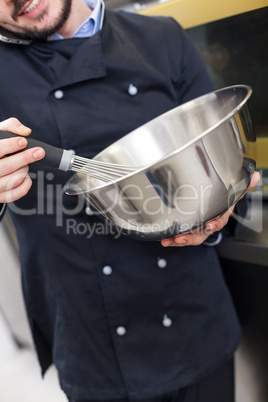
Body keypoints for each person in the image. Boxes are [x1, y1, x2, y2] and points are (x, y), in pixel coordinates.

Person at [0, 0, 260, 401]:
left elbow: (224, 167)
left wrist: (219, 214)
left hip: (195, 322)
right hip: (93, 349)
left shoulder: (162, 38)